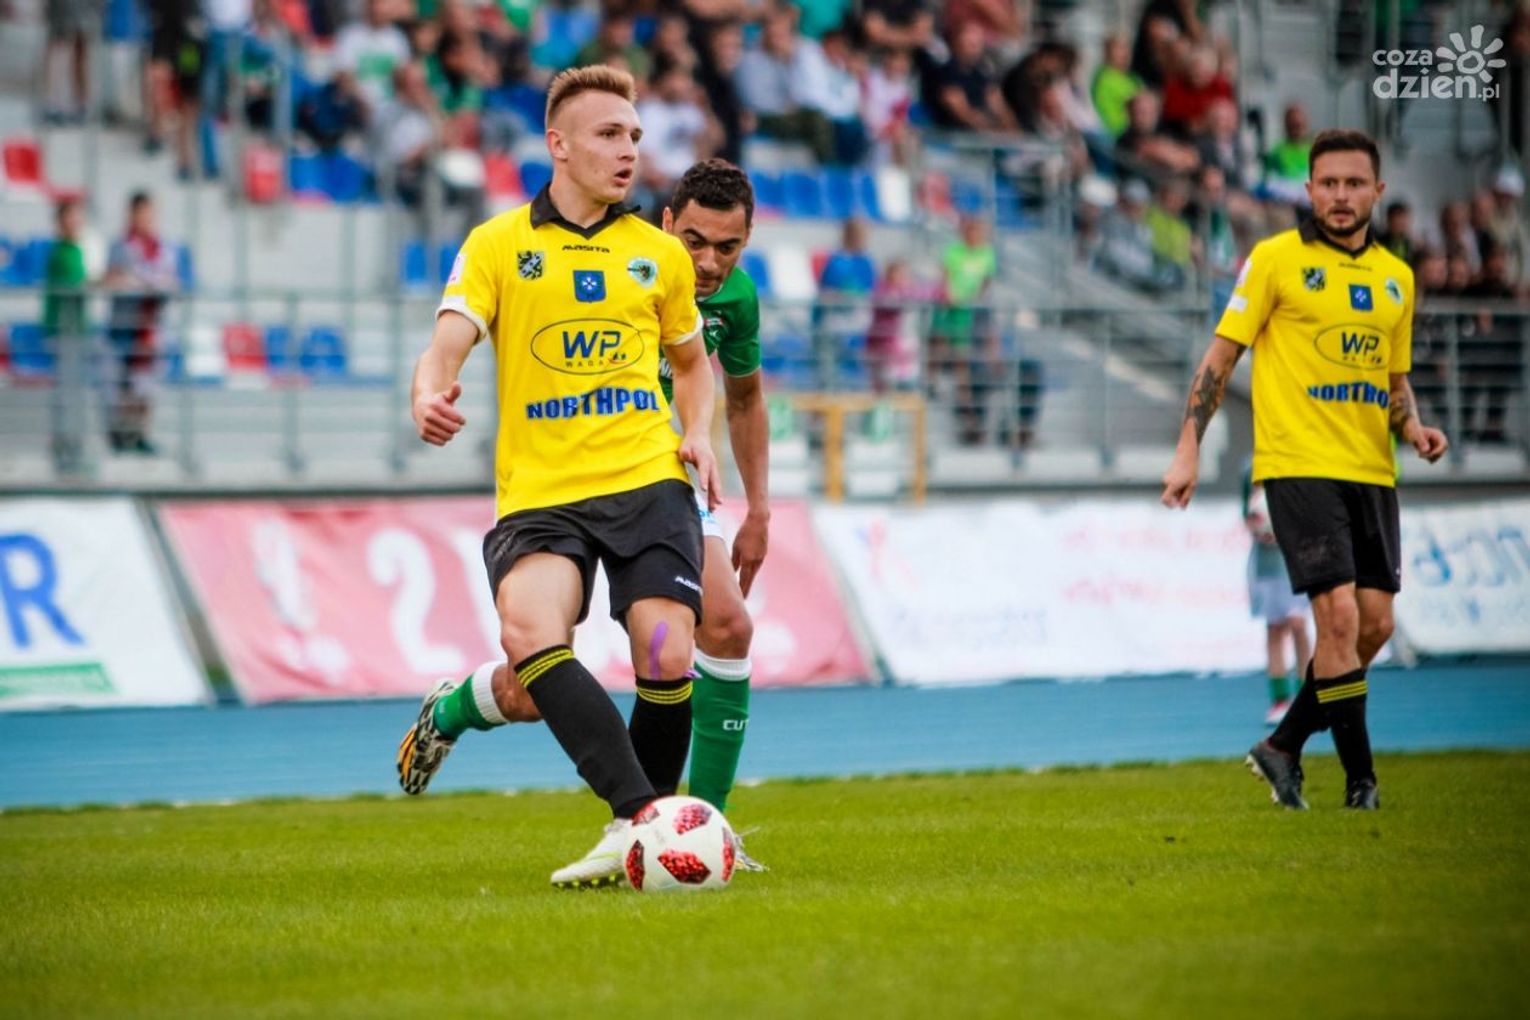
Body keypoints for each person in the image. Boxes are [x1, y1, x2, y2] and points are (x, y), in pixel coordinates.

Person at [394, 66, 721, 889]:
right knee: (530, 646)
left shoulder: (659, 255)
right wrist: (429, 392)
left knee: (665, 647)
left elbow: (693, 365)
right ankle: (465, 707)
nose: (629, 150)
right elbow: (445, 345)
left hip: (646, 476)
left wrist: (699, 433)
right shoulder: (497, 244)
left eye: (635, 136)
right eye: (609, 134)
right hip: (542, 493)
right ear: (559, 144)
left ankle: (633, 828)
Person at [1163, 129, 1449, 810]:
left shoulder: (1398, 278)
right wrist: (1188, 447)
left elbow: (1393, 379)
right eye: (1328, 184)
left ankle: (1282, 745)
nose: (1341, 196)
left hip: (1372, 470)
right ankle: (1362, 784)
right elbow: (1220, 359)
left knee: (1374, 626)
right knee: (1339, 618)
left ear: (1377, 191)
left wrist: (1412, 426)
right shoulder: (1274, 260)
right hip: (1297, 464)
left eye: (1354, 183)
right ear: (1309, 189)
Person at [104, 191, 179, 454]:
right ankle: (122, 435)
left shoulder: (162, 248)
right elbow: (112, 279)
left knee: (147, 384)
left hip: (151, 325)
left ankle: (140, 434)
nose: (146, 218)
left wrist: (154, 284)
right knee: (124, 384)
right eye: (141, 213)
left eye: (150, 213)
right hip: (126, 326)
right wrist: (134, 282)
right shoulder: (120, 246)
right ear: (132, 214)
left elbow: (170, 280)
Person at [1242, 466, 1311, 725]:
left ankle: (1306, 697)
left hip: (1294, 557)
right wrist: (1257, 528)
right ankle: (1280, 700)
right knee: (1274, 627)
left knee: (1298, 623)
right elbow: (1246, 512)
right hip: (1266, 562)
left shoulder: (1298, 464)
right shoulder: (1249, 468)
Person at [43, 197, 92, 473]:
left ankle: (71, 444)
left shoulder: (75, 250)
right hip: (65, 329)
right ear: (61, 222)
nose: (76, 222)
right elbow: (77, 285)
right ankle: (64, 446)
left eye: (78, 217)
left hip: (76, 329)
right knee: (66, 390)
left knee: (73, 389)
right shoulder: (61, 253)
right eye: (71, 217)